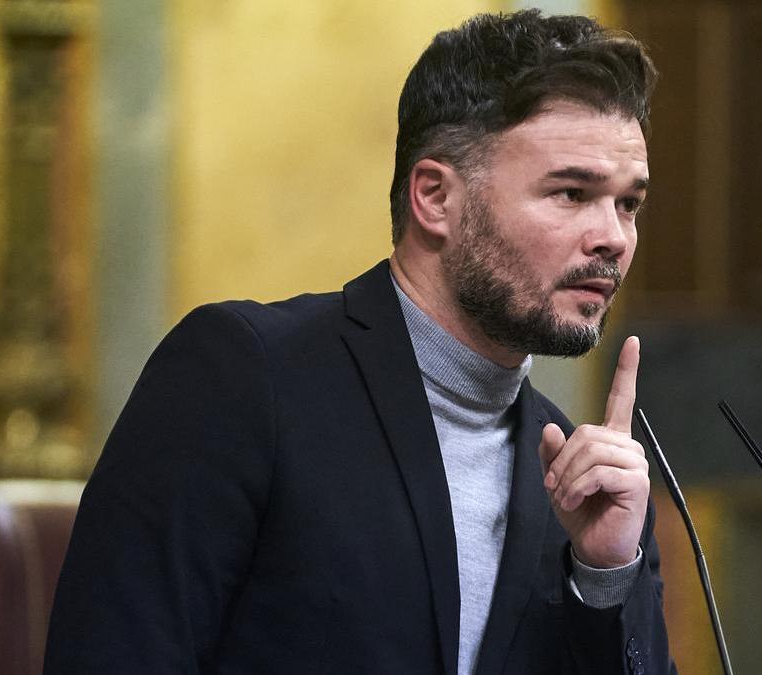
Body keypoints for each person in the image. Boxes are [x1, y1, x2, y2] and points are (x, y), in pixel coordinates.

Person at [44, 9, 672, 675]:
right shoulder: (243, 377)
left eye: (627, 203)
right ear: (434, 198)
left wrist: (605, 577)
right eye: (572, 192)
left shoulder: (591, 479)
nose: (614, 237)